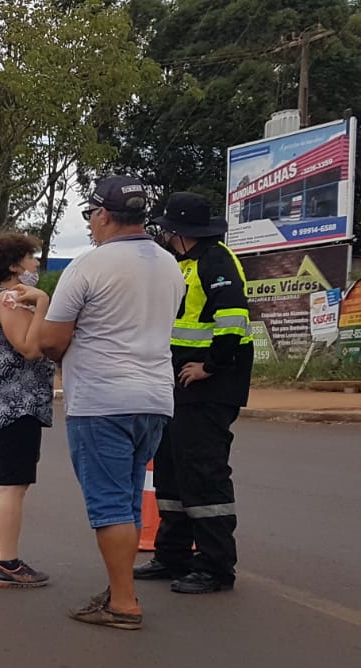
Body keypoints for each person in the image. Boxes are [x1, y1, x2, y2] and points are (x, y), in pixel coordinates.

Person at [31, 175, 184, 630]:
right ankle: (123, 590)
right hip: (155, 399)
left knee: (109, 505)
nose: (92, 226)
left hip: (102, 401)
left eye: (91, 216)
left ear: (103, 215)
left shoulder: (88, 266)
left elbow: (52, 341)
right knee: (129, 500)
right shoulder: (169, 265)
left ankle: (123, 603)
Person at [137, 192, 254, 594]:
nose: (165, 235)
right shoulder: (183, 263)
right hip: (178, 385)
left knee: (204, 472)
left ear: (181, 232)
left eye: (169, 229)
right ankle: (172, 555)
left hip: (210, 385)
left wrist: (211, 366)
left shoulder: (216, 260)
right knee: (171, 468)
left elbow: (233, 318)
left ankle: (216, 566)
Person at [0, 232, 56, 589]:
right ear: (15, 265)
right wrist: (44, 303)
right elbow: (29, 349)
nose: (36, 264)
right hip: (18, 405)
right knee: (12, 487)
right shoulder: (11, 300)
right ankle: (9, 563)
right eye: (31, 258)